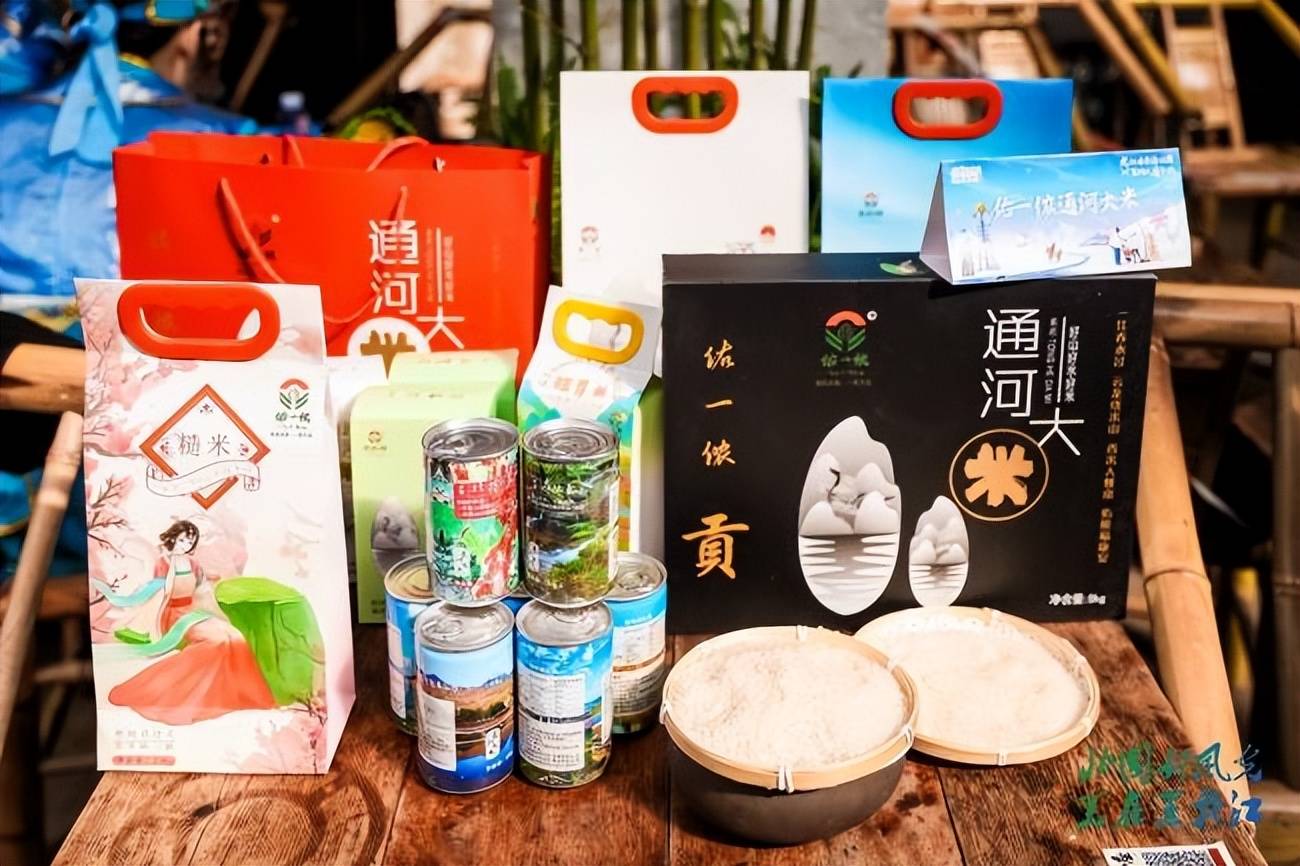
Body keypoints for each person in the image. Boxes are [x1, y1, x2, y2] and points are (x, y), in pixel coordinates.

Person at [93, 519, 278, 725]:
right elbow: (155, 594)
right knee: (216, 641)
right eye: (182, 540)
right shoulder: (163, 563)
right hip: (174, 616)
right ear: (173, 538)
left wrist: (220, 613)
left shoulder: (193, 564)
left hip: (192, 612)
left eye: (190, 541)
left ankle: (241, 695)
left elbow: (203, 592)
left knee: (235, 636)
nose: (185, 545)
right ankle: (181, 694)